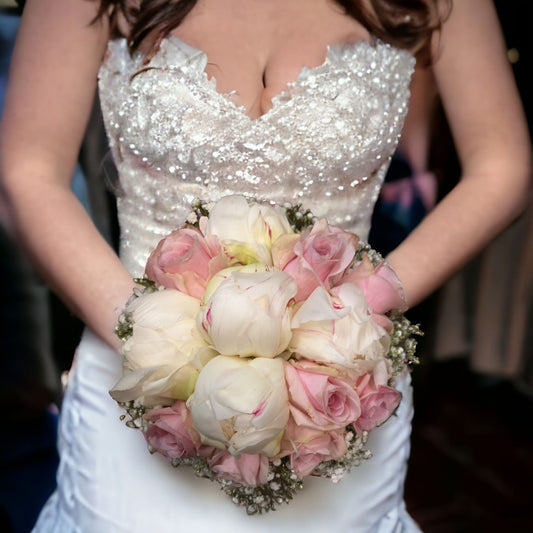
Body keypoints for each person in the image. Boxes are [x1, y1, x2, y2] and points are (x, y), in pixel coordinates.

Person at [0, 0, 530, 531]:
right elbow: (30, 172)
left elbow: (501, 167)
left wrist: (351, 320)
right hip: (131, 372)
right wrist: (157, 345)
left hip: (337, 389)